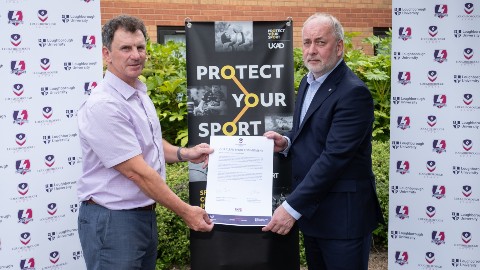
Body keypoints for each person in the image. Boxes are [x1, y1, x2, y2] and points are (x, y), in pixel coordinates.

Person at [76, 15, 214, 270]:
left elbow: (148, 143)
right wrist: (185, 211)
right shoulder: (105, 105)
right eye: (125, 48)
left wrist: (185, 153)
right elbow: (137, 172)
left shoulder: (138, 93)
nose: (136, 55)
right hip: (113, 222)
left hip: (141, 217)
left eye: (140, 47)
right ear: (107, 54)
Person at [262, 13, 384, 270]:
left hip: (343, 220)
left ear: (339, 47)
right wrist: (286, 141)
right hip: (315, 215)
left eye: (320, 42)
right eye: (307, 43)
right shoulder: (309, 82)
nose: (312, 50)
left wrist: (291, 207)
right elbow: (311, 134)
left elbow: (334, 157)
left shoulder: (353, 93)